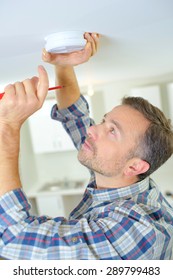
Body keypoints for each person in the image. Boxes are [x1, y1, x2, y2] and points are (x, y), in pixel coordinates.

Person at [0, 33, 173, 260]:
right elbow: (76, 118)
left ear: (135, 166)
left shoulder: (138, 230)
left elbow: (13, 237)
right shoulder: (119, 174)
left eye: (112, 131)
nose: (93, 130)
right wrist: (63, 66)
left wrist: (8, 126)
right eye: (104, 121)